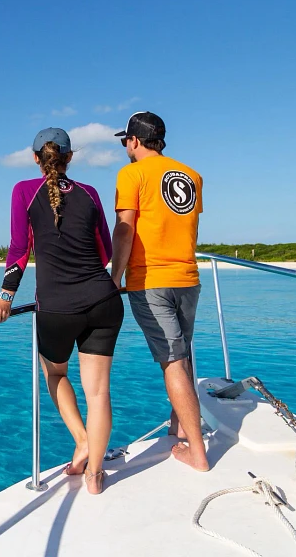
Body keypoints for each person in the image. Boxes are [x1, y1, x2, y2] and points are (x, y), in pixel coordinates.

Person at [0, 127, 124, 494]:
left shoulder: (23, 192)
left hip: (58, 309)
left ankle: (81, 440)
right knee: (99, 393)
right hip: (104, 301)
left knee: (56, 376)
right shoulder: (90, 193)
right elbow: (105, 254)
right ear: (69, 158)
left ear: (36, 158)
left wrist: (5, 298)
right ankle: (95, 475)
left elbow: (20, 248)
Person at [111, 111, 209, 472]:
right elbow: (191, 229)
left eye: (126, 140)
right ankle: (179, 426)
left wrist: (114, 276)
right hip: (188, 277)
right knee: (182, 355)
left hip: (151, 279)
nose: (125, 146)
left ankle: (197, 453)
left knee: (172, 361)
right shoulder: (191, 175)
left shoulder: (131, 173)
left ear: (134, 141)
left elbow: (125, 229)